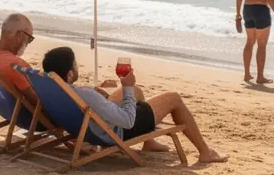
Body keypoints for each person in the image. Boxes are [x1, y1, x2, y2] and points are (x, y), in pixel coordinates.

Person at [41, 46, 228, 165]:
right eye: (75, 65)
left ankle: (149, 142)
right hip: (118, 131)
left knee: (137, 91)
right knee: (173, 98)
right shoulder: (84, 94)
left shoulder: (54, 91)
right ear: (69, 74)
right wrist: (127, 87)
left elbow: (88, 103)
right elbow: (128, 121)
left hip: (94, 126)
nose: (77, 67)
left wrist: (111, 92)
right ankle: (205, 152)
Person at [0, 13, 38, 105]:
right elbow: (36, 100)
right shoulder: (15, 65)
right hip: (21, 111)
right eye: (29, 39)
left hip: (2, 107)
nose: (28, 43)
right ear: (19, 35)